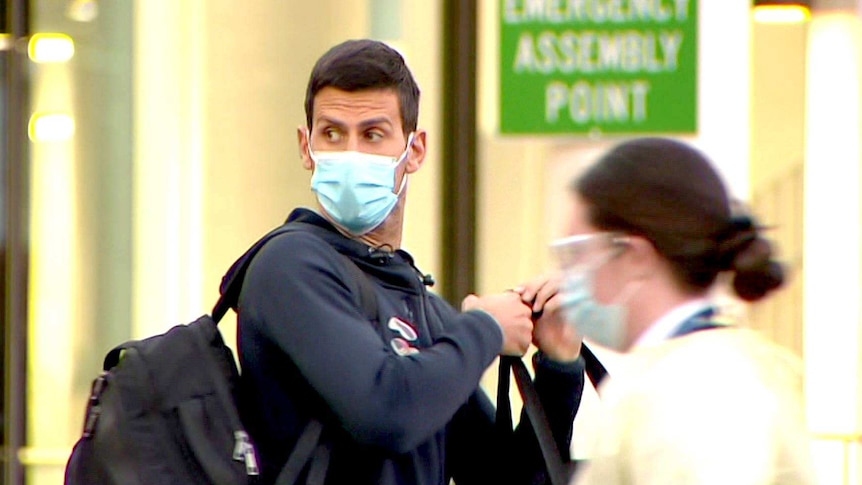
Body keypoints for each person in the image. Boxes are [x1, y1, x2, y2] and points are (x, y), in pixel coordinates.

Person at [233, 39, 586, 485]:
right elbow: (386, 413)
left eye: (373, 134)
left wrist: (559, 367)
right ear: (306, 148)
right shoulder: (291, 266)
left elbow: (506, 478)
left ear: (415, 151)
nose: (350, 154)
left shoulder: (417, 301)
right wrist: (485, 329)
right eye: (332, 133)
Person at [542, 137, 815, 484]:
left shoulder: (697, 391)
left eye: (576, 254)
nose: (565, 276)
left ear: (636, 256)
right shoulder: (708, 366)